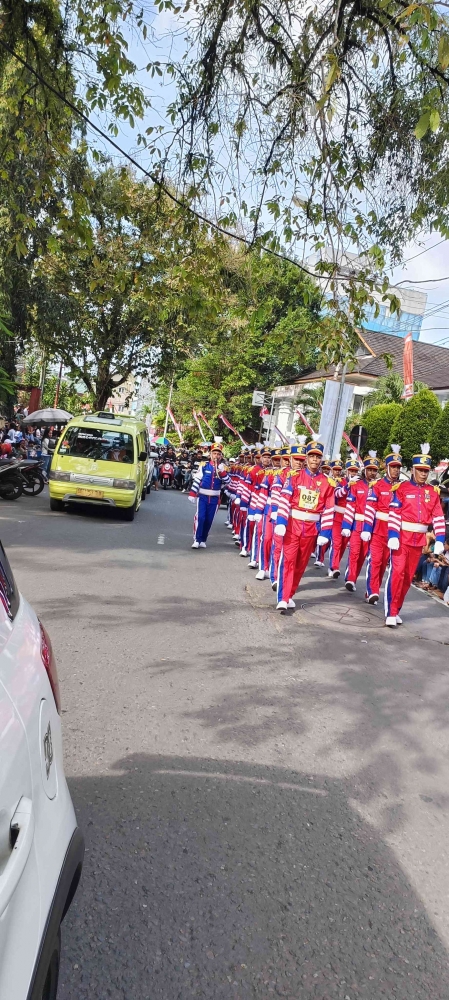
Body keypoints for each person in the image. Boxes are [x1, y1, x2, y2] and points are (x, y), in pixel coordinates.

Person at [384, 443, 446, 627]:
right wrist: (393, 535)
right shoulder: (401, 489)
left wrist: (441, 540)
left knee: (407, 578)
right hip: (402, 539)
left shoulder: (432, 493)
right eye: (420, 470)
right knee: (397, 574)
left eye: (426, 471)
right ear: (412, 470)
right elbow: (394, 513)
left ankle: (397, 609)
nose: (424, 474)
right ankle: (390, 611)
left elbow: (438, 517)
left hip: (418, 541)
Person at [275, 436, 335, 611]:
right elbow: (285, 499)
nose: (315, 460)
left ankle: (290, 594)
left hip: (310, 529)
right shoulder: (294, 477)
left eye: (318, 457)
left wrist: (325, 533)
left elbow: (329, 509)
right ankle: (283, 598)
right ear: (307, 458)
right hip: (292, 526)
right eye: (312, 456)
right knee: (288, 561)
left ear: (321, 459)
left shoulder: (327, 483)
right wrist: (281, 521)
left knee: (301, 564)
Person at [361, 444, 402, 605]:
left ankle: (373, 589)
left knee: (384, 562)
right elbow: (370, 508)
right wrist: (367, 529)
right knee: (375, 561)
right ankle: (372, 590)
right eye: (393, 467)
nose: (396, 471)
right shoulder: (376, 485)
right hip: (378, 530)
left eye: (398, 467)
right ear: (387, 468)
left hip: (393, 533)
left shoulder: (402, 488)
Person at [341, 451, 379, 592]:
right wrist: (346, 525)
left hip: (372, 527)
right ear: (365, 471)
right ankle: (350, 578)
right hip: (357, 525)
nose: (372, 473)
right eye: (369, 470)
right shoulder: (356, 485)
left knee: (363, 555)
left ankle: (353, 578)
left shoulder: (379, 487)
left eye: (374, 470)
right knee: (354, 553)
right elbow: (350, 506)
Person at [189, 440, 229, 548]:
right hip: (203, 496)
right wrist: (193, 493)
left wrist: (222, 472)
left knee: (209, 519)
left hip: (215, 498)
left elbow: (228, 482)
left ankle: (203, 539)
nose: (216, 456)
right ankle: (197, 539)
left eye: (218, 454)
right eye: (214, 453)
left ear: (221, 456)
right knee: (200, 517)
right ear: (210, 454)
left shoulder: (223, 467)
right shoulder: (204, 465)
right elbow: (197, 479)